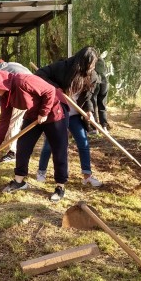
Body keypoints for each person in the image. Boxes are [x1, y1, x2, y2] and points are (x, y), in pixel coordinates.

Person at [0, 69, 69, 201]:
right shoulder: (5, 95)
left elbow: (50, 90)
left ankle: (60, 186)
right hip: (34, 114)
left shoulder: (22, 81)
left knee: (58, 149)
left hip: (53, 111)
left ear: (0, 83)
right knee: (23, 146)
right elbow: (4, 120)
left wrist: (44, 112)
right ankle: (19, 181)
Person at [35, 46, 102, 188]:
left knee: (83, 143)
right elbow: (39, 73)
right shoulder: (63, 67)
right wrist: (55, 88)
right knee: (50, 144)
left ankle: (87, 175)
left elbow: (88, 98)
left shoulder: (93, 76)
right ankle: (41, 171)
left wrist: (89, 111)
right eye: (90, 64)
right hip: (59, 112)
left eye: (94, 64)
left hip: (75, 115)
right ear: (81, 62)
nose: (92, 67)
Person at [0, 59, 30, 163]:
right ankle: (13, 150)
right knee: (9, 121)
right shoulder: (11, 64)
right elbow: (3, 114)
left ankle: (12, 153)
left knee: (12, 123)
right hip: (21, 92)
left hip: (23, 93)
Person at [92, 50, 113, 132]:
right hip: (104, 83)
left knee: (93, 104)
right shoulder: (102, 61)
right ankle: (104, 126)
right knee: (102, 105)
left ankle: (95, 128)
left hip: (95, 83)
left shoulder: (93, 60)